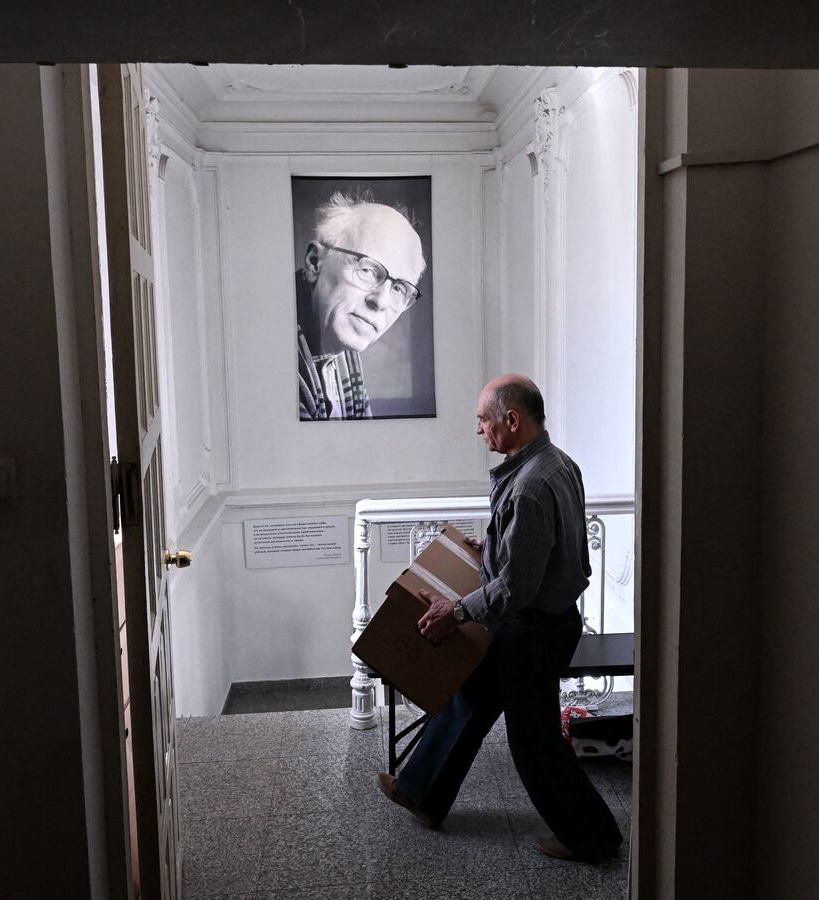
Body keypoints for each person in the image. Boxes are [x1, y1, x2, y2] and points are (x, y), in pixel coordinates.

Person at [375, 374, 624, 862]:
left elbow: (517, 586)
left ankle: (593, 837)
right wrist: (493, 548)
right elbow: (550, 551)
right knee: (472, 693)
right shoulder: (558, 466)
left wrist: (457, 612)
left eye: (482, 419)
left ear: (512, 420)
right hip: (541, 621)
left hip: (532, 628)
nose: (478, 430)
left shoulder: (530, 486)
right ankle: (421, 791)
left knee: (534, 742)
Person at [296, 193, 426, 420]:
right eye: (367, 270)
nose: (381, 302)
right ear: (315, 263)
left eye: (398, 289)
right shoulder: (273, 360)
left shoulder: (342, 351)